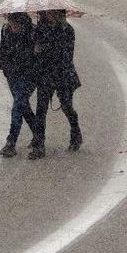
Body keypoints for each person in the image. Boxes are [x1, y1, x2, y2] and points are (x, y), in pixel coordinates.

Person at [30, 9, 81, 159]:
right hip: (45, 74)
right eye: (47, 12)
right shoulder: (40, 28)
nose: (48, 14)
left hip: (63, 74)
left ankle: (75, 131)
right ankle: (39, 145)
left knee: (66, 106)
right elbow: (37, 52)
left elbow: (66, 56)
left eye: (52, 12)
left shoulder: (67, 30)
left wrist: (44, 49)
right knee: (41, 110)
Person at [0, 12, 37, 158]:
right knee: (23, 106)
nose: (12, 26)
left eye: (15, 23)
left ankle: (11, 142)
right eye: (10, 22)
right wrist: (5, 68)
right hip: (12, 75)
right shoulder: (5, 30)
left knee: (17, 106)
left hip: (28, 76)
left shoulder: (33, 33)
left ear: (22, 23)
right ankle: (38, 134)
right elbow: (3, 52)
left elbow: (33, 58)